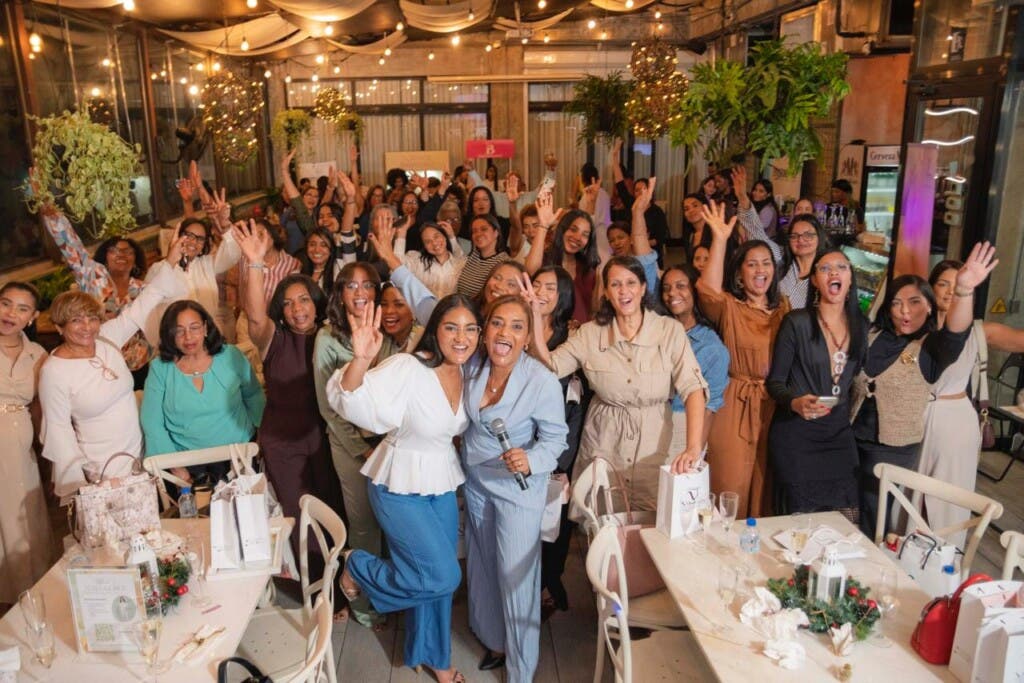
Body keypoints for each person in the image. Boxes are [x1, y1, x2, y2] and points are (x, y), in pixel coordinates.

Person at [331, 296, 480, 683]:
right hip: (397, 484)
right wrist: (361, 359)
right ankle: (358, 565)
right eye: (451, 327)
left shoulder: (471, 372)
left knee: (438, 585)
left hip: (441, 481)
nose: (461, 337)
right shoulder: (409, 366)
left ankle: (433, 657)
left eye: (470, 328)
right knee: (444, 575)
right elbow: (351, 402)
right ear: (435, 329)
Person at [526, 256, 708, 509]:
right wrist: (535, 318)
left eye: (631, 283)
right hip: (604, 441)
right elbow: (552, 366)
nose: (624, 291)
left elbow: (693, 388)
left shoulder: (669, 331)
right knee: (603, 521)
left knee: (650, 521)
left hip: (653, 443)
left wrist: (693, 447)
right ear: (606, 292)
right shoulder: (590, 333)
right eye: (615, 284)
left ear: (644, 288)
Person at [850, 242, 997, 537]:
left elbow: (956, 334)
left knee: (876, 516)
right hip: (852, 439)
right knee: (848, 510)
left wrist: (964, 290)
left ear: (929, 305)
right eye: (897, 303)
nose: (905, 311)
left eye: (915, 302)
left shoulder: (931, 347)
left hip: (892, 449)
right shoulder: (873, 334)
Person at [461, 295, 568, 680]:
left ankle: (521, 670)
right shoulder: (473, 364)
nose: (505, 332)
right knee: (484, 565)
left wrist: (532, 459)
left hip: (518, 489)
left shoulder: (540, 380)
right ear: (485, 329)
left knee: (516, 578)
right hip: (476, 480)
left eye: (517, 326)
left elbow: (556, 439)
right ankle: (494, 641)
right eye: (497, 323)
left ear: (528, 338)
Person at [233, 220, 342, 560]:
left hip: (326, 439)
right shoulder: (274, 341)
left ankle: (340, 583)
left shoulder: (332, 339)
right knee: (301, 517)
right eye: (289, 303)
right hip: (284, 443)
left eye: (304, 300)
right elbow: (253, 317)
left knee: (334, 510)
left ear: (317, 302)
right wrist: (254, 262)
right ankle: (313, 592)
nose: (298, 309)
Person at [39, 249, 188, 498]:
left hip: (140, 451)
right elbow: (58, 431)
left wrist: (171, 260)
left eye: (91, 318)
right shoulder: (53, 371)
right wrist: (79, 486)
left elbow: (141, 306)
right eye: (76, 320)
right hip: (102, 468)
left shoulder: (106, 338)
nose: (87, 327)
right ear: (59, 327)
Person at [914, 260, 1024, 544]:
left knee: (949, 501)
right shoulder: (912, 323)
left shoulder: (978, 330)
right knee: (910, 495)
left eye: (959, 285)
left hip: (955, 422)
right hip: (914, 418)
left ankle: (947, 557)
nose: (951, 291)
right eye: (943, 284)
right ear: (930, 287)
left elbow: (1020, 340)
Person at [696, 200, 790, 518]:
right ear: (739, 272)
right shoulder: (730, 308)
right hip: (735, 403)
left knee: (766, 485)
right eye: (751, 264)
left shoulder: (785, 308)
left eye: (765, 263)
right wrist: (720, 240)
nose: (760, 270)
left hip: (774, 405)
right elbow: (707, 290)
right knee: (729, 481)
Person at [766, 249, 867, 519]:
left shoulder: (862, 327)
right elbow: (775, 383)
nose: (834, 273)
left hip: (838, 436)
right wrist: (794, 402)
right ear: (814, 280)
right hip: (797, 436)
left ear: (850, 277)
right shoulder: (796, 322)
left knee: (847, 519)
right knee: (799, 525)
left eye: (841, 267)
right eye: (824, 269)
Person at [37, 192, 153, 389]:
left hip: (138, 363)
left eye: (127, 251)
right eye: (114, 250)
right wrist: (52, 213)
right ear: (105, 256)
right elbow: (71, 246)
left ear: (135, 260)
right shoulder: (92, 275)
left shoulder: (142, 289)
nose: (121, 254)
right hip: (99, 360)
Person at [140, 300, 264, 469]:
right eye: (179, 331)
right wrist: (176, 468)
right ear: (170, 335)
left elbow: (254, 395)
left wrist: (263, 434)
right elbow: (152, 422)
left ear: (206, 328)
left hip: (241, 455)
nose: (188, 337)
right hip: (187, 463)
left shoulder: (231, 356)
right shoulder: (160, 368)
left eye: (194, 327)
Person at [530, 266, 586, 619]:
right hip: (521, 443)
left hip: (557, 448)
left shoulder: (571, 340)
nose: (541, 292)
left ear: (563, 294)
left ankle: (549, 583)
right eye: (536, 284)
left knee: (555, 528)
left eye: (550, 287)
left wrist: (563, 464)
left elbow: (575, 410)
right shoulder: (517, 329)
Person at [0, 282, 53, 604]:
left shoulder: (38, 355)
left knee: (24, 512)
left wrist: (43, 454)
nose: (11, 314)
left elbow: (38, 407)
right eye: (6, 304)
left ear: (33, 317)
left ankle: (32, 588)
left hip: (20, 446)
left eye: (21, 308)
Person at [660, 264, 730, 455]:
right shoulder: (658, 332)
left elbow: (709, 409)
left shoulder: (713, 348)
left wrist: (695, 453)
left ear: (694, 290)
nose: (672, 293)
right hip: (650, 422)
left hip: (683, 425)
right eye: (666, 288)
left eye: (680, 286)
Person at [526, 197, 600, 324]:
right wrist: (543, 225)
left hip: (581, 337)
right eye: (573, 229)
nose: (578, 237)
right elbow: (530, 270)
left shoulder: (589, 270)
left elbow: (594, 310)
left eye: (585, 234)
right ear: (563, 229)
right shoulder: (545, 260)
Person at [395, 220, 466, 298]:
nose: (434, 243)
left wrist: (452, 237)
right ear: (424, 246)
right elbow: (396, 266)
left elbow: (461, 257)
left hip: (450, 309)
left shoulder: (459, 263)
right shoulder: (417, 262)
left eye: (436, 236)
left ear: (445, 237)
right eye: (428, 241)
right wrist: (401, 234)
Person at [456, 214, 511, 299]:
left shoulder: (504, 262)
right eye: (474, 231)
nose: (478, 234)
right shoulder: (473, 256)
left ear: (496, 233)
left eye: (484, 229)